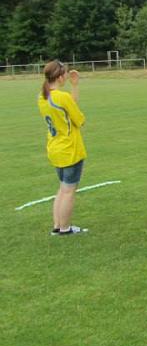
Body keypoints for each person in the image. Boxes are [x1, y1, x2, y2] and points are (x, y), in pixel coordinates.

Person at [38, 60, 88, 235]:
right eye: (65, 74)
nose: (67, 76)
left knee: (62, 189)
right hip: (69, 150)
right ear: (60, 77)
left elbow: (67, 108)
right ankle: (65, 228)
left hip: (55, 148)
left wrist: (74, 86)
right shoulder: (61, 97)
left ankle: (58, 225)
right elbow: (79, 119)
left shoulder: (43, 96)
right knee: (68, 192)